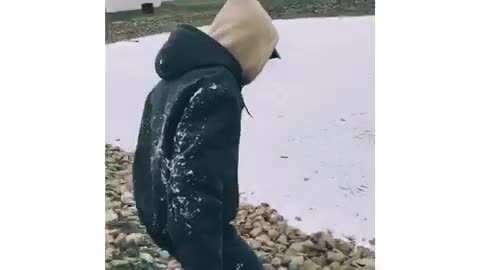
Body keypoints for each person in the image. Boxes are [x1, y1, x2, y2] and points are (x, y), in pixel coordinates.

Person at [132, 0, 280, 269]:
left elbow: (146, 158)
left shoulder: (174, 76)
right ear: (247, 44)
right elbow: (194, 183)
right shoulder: (217, 86)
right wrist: (204, 259)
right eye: (265, 55)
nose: (261, 67)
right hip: (192, 227)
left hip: (161, 216)